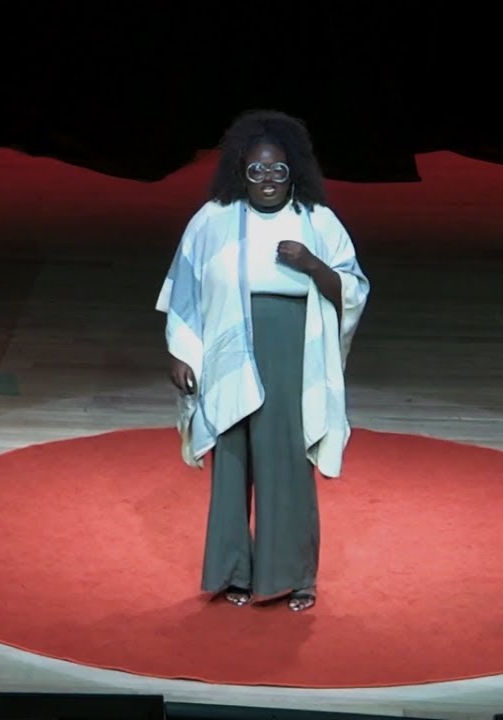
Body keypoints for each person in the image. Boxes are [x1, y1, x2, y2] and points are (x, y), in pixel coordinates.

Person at [155, 109, 370, 612]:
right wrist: (181, 352)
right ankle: (235, 572)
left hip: (291, 349)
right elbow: (185, 290)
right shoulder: (212, 219)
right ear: (240, 170)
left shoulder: (317, 220)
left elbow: (355, 287)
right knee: (232, 458)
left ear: (293, 170)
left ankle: (294, 576)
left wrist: (313, 264)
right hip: (226, 348)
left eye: (277, 170)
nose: (267, 180)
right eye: (256, 170)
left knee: (286, 460)